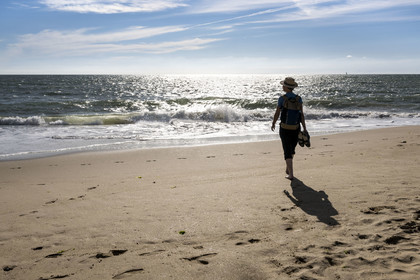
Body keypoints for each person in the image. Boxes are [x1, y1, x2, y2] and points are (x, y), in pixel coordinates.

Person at [271, 77, 307, 180]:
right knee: (291, 149)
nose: (282, 86)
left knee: (286, 150)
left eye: (283, 85)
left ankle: (291, 174)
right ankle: (288, 168)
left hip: (284, 128)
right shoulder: (298, 99)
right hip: (296, 127)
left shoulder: (282, 99)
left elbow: (277, 112)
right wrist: (304, 127)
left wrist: (273, 123)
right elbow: (301, 115)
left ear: (286, 87)